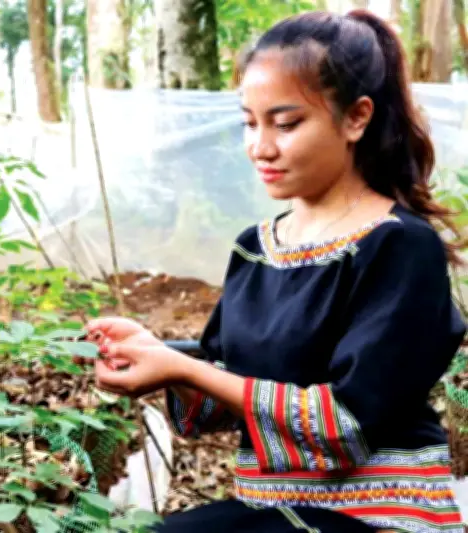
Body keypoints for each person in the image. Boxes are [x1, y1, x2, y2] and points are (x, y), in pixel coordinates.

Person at [81, 9, 467, 533]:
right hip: (270, 512)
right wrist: (157, 354)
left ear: (356, 117)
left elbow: (348, 426)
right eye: (249, 122)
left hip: (375, 517)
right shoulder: (255, 249)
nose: (260, 147)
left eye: (285, 124)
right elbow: (214, 407)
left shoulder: (399, 247)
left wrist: (186, 369)